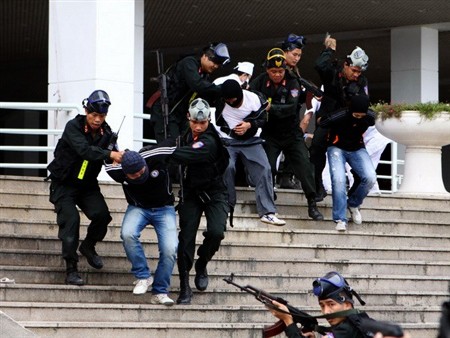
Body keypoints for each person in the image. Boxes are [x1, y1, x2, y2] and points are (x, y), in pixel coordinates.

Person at [47, 90, 123, 285]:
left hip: (87, 185)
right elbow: (85, 150)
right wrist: (109, 154)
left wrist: (124, 160)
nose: (97, 120)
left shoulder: (107, 133)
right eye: (94, 115)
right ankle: (71, 269)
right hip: (64, 183)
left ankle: (88, 246)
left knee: (102, 216)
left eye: (102, 116)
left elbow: (113, 156)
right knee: (71, 221)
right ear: (86, 111)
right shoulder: (73, 127)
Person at [167, 98, 230, 305]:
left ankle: (202, 262)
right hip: (191, 193)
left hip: (215, 191)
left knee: (216, 232)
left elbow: (196, 153)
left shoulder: (211, 139)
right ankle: (184, 285)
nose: (199, 126)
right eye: (195, 122)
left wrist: (169, 154)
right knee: (185, 238)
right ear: (189, 118)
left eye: (203, 123)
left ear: (209, 120)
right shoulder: (181, 138)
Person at [249, 48, 323, 221]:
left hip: (291, 133)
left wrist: (270, 107)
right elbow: (250, 100)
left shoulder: (292, 82)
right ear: (267, 70)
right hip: (270, 132)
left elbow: (290, 107)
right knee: (267, 167)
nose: (277, 75)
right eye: (273, 71)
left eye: (280, 71)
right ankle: (268, 198)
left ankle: (312, 203)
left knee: (304, 167)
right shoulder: (259, 82)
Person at [105, 148, 178, 305]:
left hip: (164, 208)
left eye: (140, 171)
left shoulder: (156, 158)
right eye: (133, 175)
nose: (138, 175)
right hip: (138, 208)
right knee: (127, 234)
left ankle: (160, 291)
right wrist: (113, 152)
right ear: (125, 172)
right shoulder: (116, 171)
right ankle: (143, 276)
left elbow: (173, 144)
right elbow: (104, 156)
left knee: (170, 249)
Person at [214, 79, 286, 226]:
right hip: (228, 141)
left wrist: (249, 124)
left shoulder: (253, 99)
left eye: (233, 99)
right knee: (227, 166)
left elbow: (264, 118)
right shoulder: (221, 101)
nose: (230, 102)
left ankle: (267, 212)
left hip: (251, 140)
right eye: (227, 100)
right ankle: (226, 205)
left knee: (264, 168)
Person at [309, 34, 369, 202]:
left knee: (358, 162)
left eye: (359, 72)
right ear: (346, 65)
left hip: (347, 124)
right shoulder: (333, 72)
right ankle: (317, 186)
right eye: (354, 71)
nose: (357, 75)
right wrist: (329, 50)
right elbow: (319, 64)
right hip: (327, 119)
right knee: (316, 149)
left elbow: (364, 104)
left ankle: (354, 196)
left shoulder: (361, 81)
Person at [268, 271, 411, 338]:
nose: (326, 311)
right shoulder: (358, 320)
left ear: (348, 305)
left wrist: (288, 320)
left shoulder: (345, 329)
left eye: (331, 304)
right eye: (322, 305)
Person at [147, 42, 230, 143]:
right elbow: (197, 84)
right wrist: (222, 88)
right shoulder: (189, 63)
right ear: (204, 56)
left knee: (183, 145)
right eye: (214, 62)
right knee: (169, 146)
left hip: (180, 115)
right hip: (165, 110)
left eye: (218, 64)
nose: (216, 66)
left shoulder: (204, 75)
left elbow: (205, 95)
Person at [319, 95, 377, 231]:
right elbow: (322, 122)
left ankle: (353, 203)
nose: (359, 118)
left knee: (370, 177)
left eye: (361, 116)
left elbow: (378, 119)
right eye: (356, 115)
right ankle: (340, 218)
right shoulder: (341, 115)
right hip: (337, 147)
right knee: (339, 180)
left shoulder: (370, 117)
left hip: (357, 148)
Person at [277, 33, 308, 190]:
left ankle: (287, 176)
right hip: (276, 116)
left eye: (299, 55)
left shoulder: (295, 71)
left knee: (294, 149)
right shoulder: (276, 66)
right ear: (285, 52)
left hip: (292, 116)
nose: (297, 58)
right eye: (294, 54)